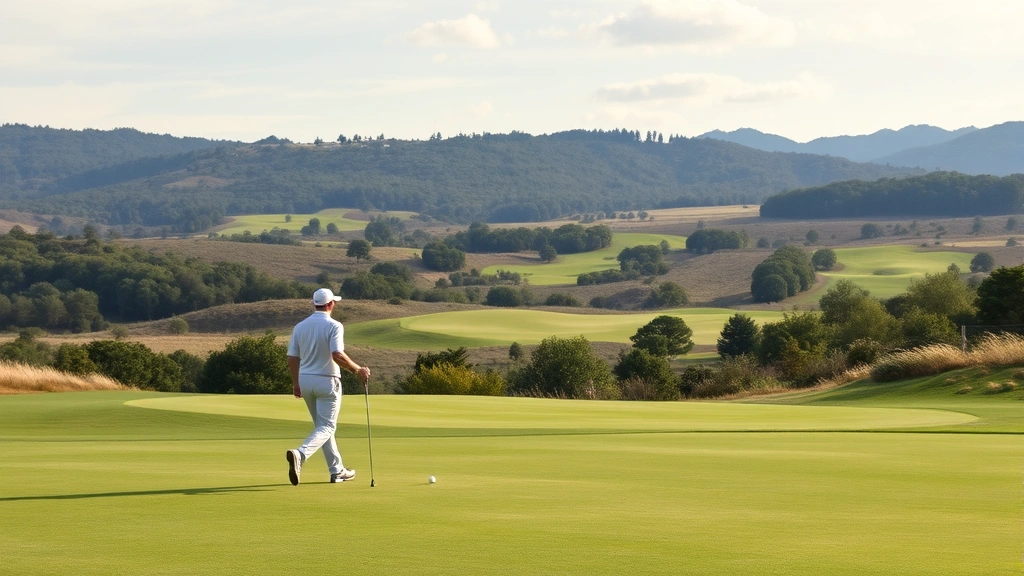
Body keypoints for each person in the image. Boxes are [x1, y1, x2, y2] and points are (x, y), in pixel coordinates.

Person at [285, 288, 371, 486]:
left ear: (314, 304)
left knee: (322, 428)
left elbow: (292, 357)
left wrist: (296, 382)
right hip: (327, 380)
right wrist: (357, 370)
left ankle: (337, 470)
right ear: (331, 304)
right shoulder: (334, 325)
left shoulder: (300, 326)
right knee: (327, 426)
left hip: (305, 381)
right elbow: (337, 355)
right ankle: (300, 454)